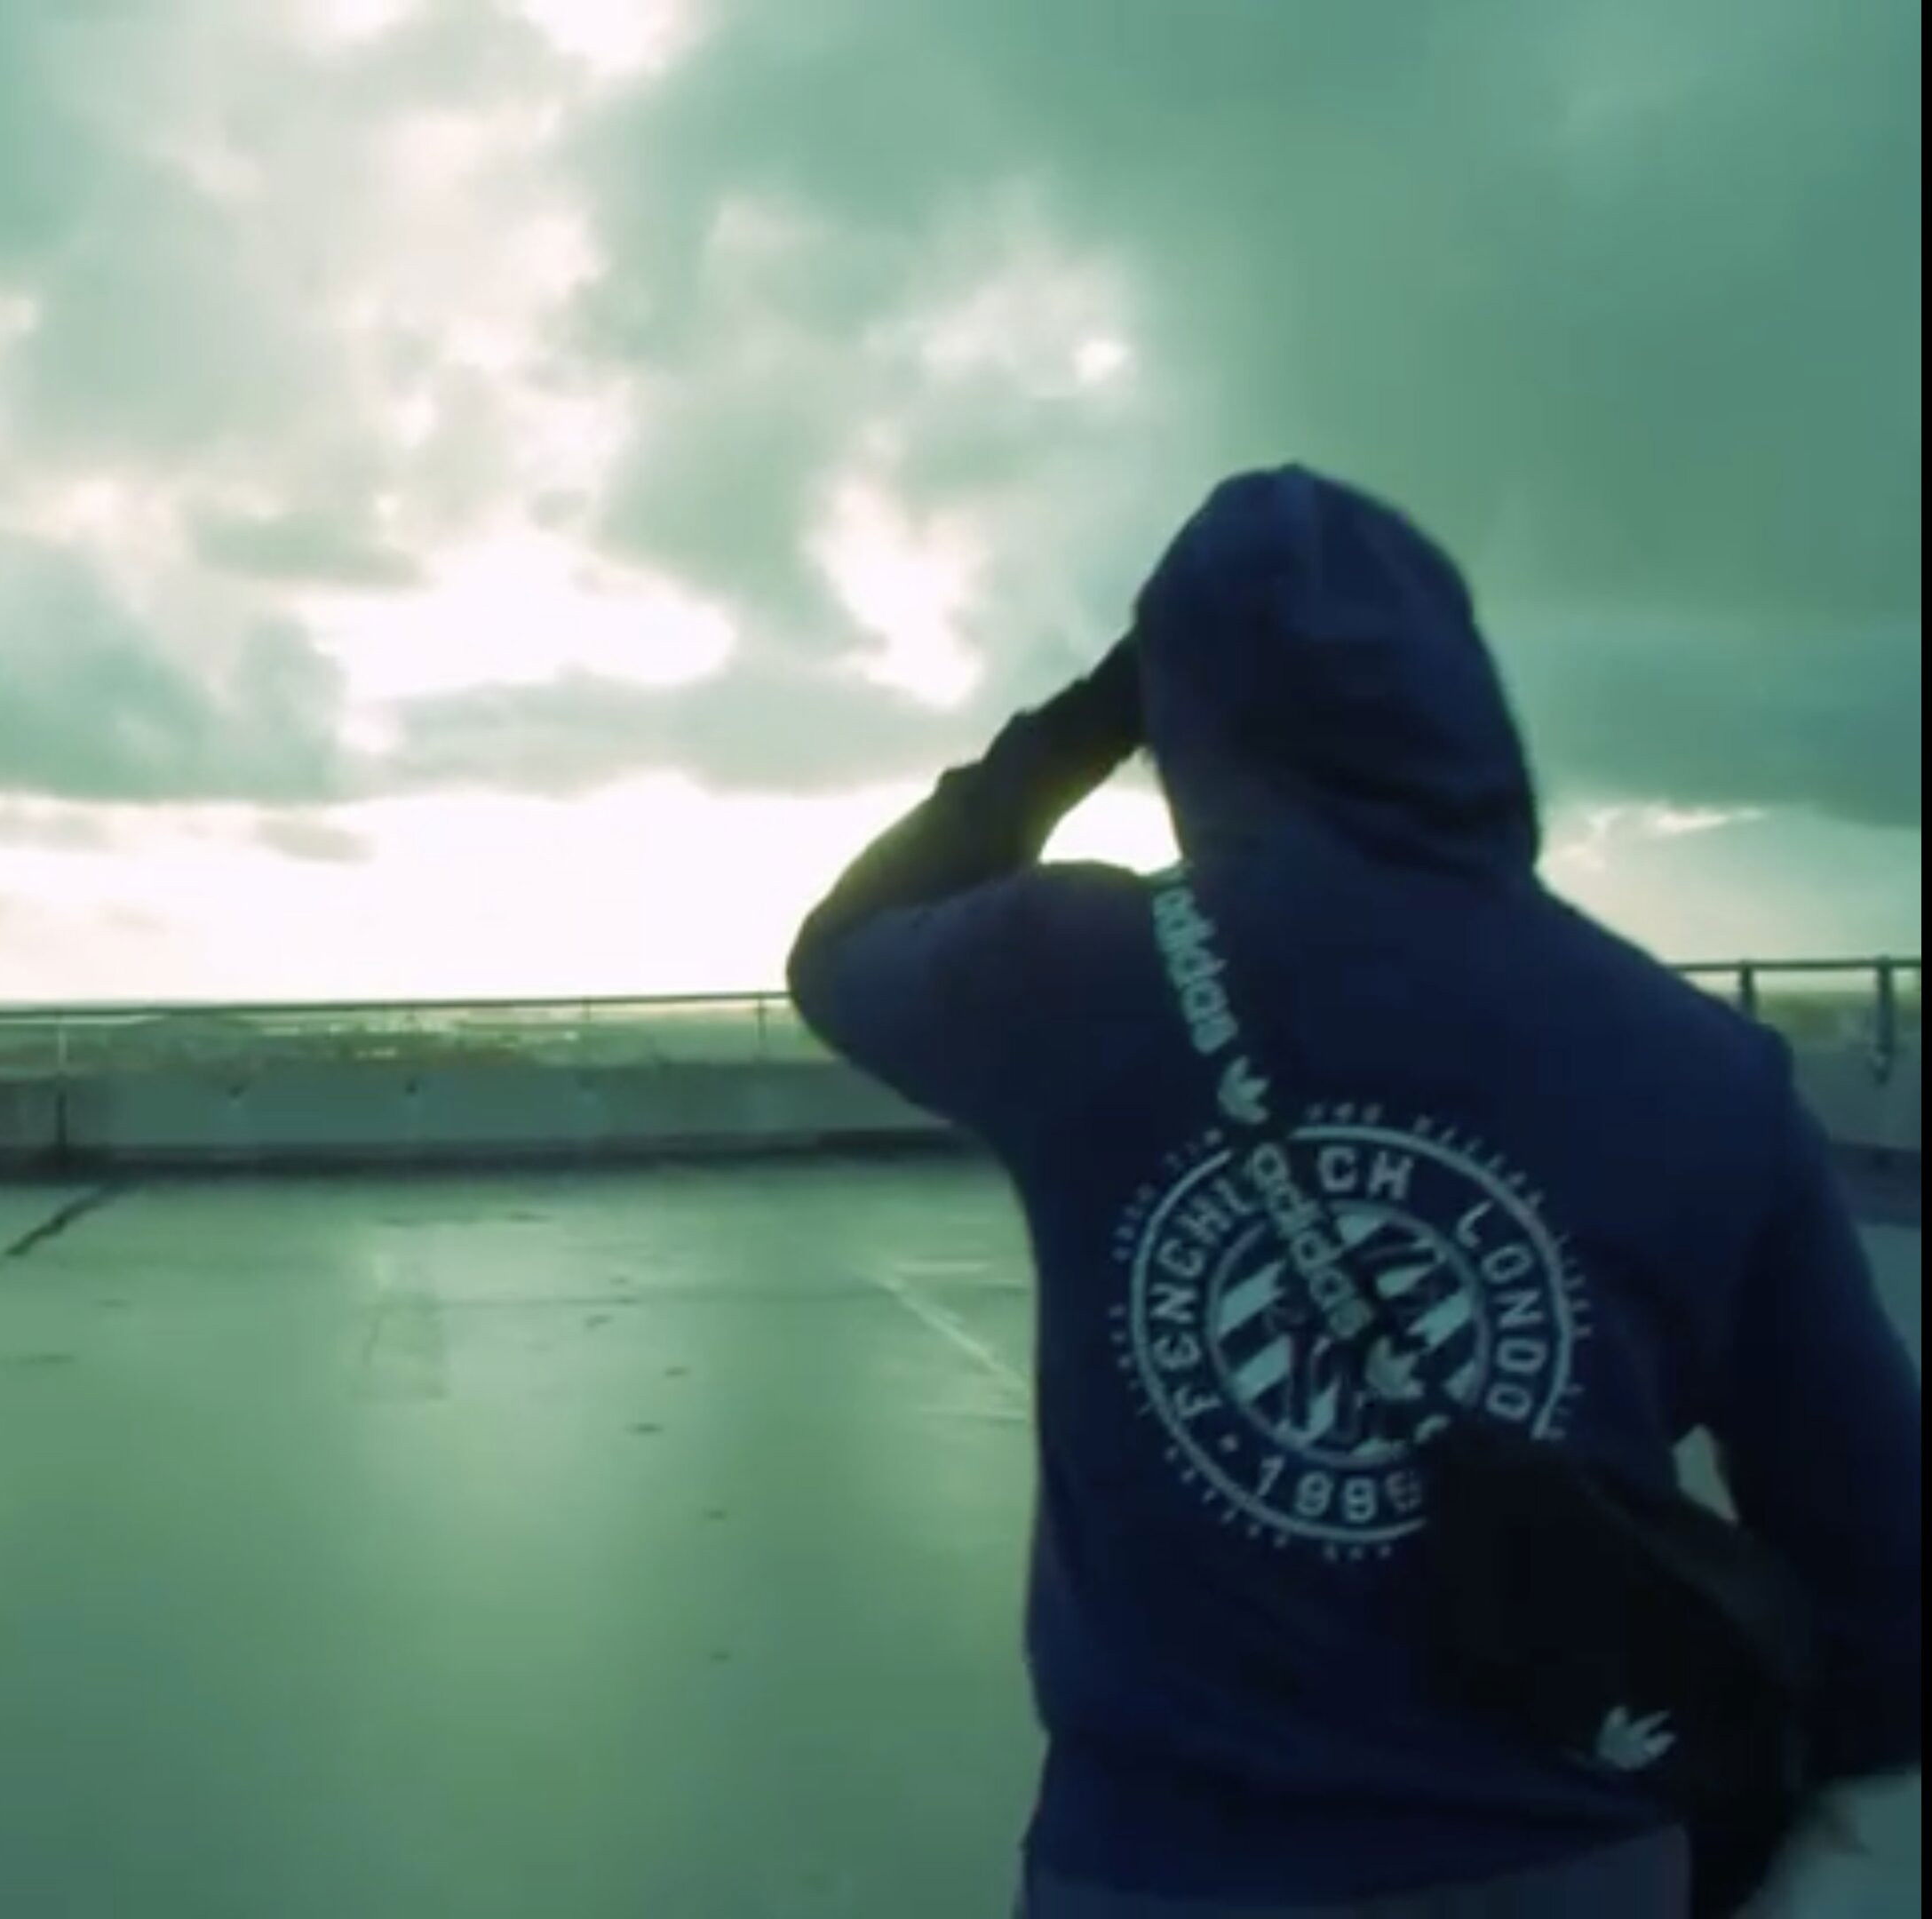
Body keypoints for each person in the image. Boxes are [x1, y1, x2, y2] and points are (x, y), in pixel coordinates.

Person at [786, 466, 1923, 1915]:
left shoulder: (1073, 977)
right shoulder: (1704, 1065)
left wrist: (1087, 723)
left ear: (1187, 725)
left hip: (1164, 1866)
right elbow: (1879, 1561)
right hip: (1571, 1857)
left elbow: (844, 951)